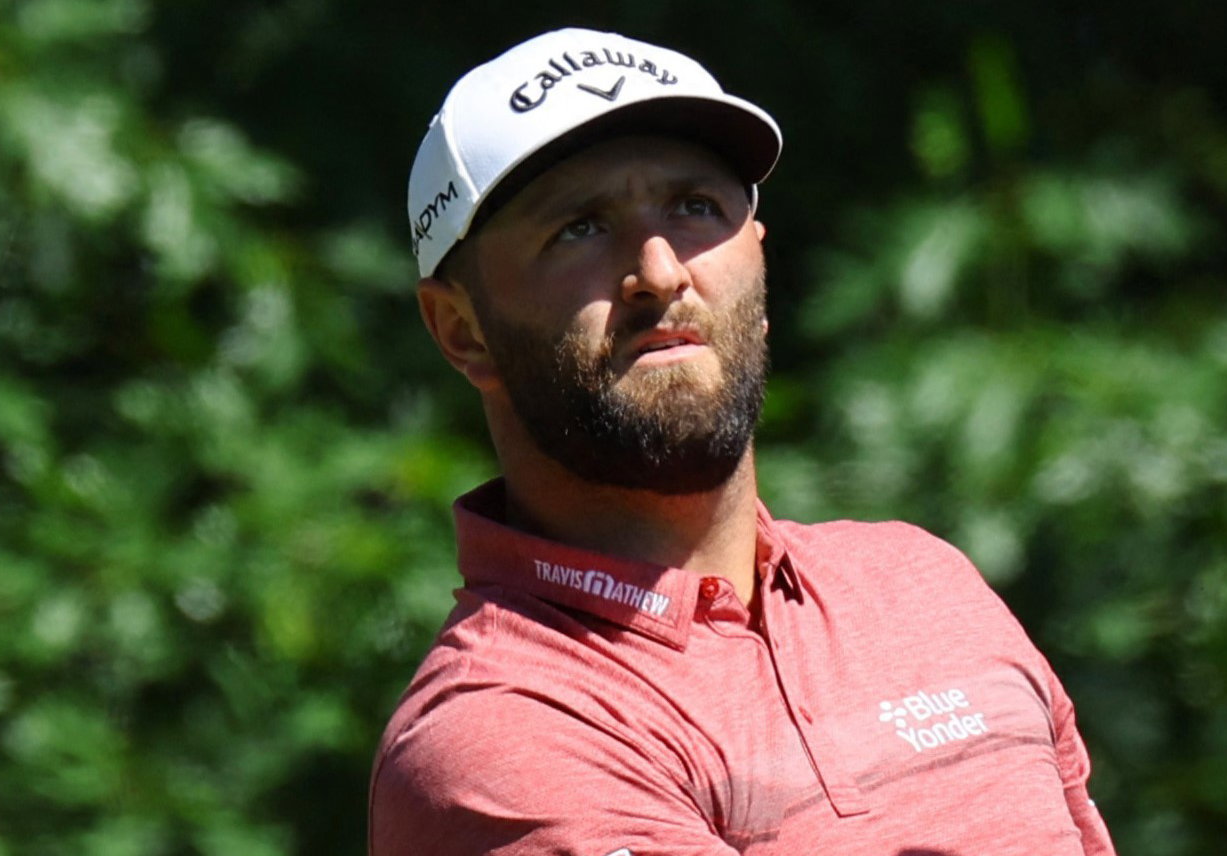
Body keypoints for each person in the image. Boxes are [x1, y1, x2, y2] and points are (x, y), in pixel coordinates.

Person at [370, 27, 1116, 856]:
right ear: (460, 328)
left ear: (757, 260)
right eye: (578, 228)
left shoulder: (927, 588)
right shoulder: (500, 732)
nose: (661, 271)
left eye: (695, 207)